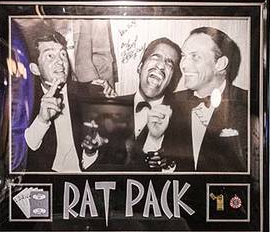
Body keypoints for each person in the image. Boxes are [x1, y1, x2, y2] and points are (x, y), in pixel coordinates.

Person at [157, 27, 250, 172]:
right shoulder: (170, 103)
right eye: (184, 56)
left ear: (220, 64)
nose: (183, 65)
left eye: (195, 56)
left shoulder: (249, 104)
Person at [89, 37, 182, 171]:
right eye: (156, 57)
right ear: (139, 67)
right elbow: (90, 164)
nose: (161, 66)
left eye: (169, 63)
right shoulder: (111, 106)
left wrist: (168, 166)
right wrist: (90, 152)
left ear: (172, 80)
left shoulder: (182, 118)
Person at [23, 29, 107, 173]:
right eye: (50, 56)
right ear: (35, 69)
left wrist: (90, 152)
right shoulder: (24, 101)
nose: (60, 62)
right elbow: (22, 156)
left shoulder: (90, 93)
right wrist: (42, 121)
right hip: (48, 183)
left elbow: (108, 154)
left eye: (63, 54)